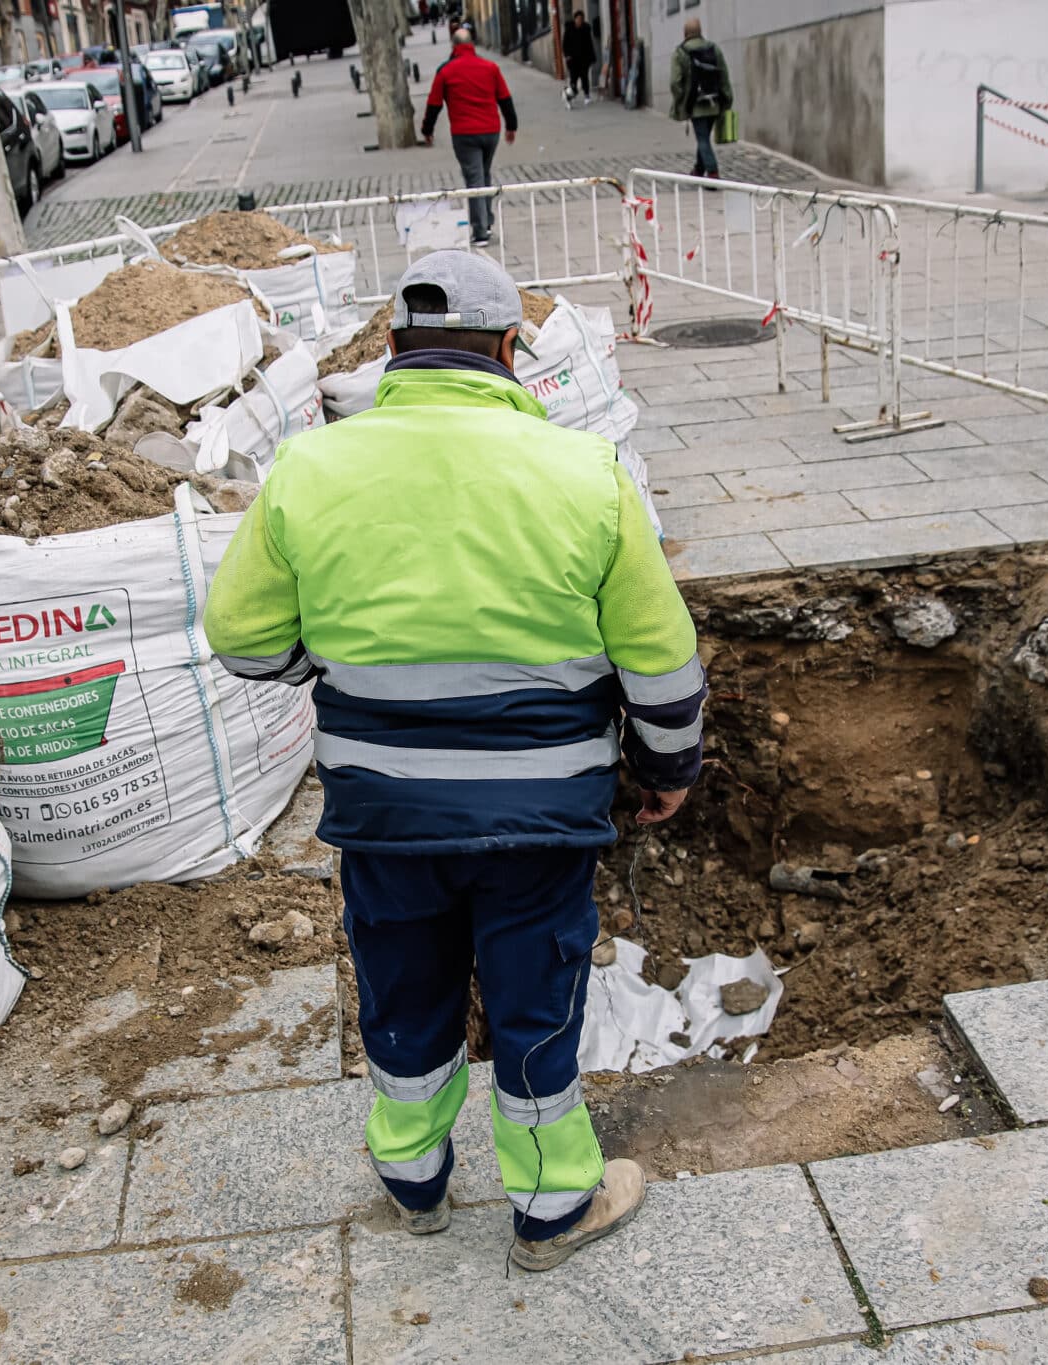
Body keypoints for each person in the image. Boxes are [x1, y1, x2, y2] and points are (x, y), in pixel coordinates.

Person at [205, 251, 707, 1273]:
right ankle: (550, 1205)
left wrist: (335, 659)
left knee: (402, 991)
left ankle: (412, 1181)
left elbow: (244, 643)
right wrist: (668, 767)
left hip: (384, 817)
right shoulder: (584, 474)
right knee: (533, 1005)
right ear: (510, 352)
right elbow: (658, 661)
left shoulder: (308, 469)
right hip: (541, 821)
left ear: (391, 349)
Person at [422, 27, 517, 247]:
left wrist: (427, 130)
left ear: (453, 46)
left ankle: (481, 231)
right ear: (472, 44)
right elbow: (505, 98)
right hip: (491, 131)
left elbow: (434, 103)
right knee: (483, 175)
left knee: (474, 179)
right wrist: (511, 126)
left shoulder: (445, 71)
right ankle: (488, 220)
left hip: (465, 134)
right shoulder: (490, 67)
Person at [669, 16, 732, 181]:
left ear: (685, 33)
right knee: (703, 137)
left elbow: (675, 82)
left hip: (695, 104)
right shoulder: (714, 49)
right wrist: (727, 99)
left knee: (702, 138)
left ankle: (712, 172)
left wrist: (680, 99)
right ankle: (698, 169)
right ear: (700, 31)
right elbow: (724, 75)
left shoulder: (680, 52)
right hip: (715, 103)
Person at [563, 9, 596, 108]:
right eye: (578, 19)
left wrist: (592, 57)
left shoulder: (586, 29)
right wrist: (567, 55)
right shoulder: (569, 29)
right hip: (573, 60)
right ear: (575, 19)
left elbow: (589, 44)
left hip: (584, 59)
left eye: (581, 19)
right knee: (574, 79)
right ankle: (570, 95)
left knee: (584, 77)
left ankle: (587, 96)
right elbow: (565, 44)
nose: (580, 21)